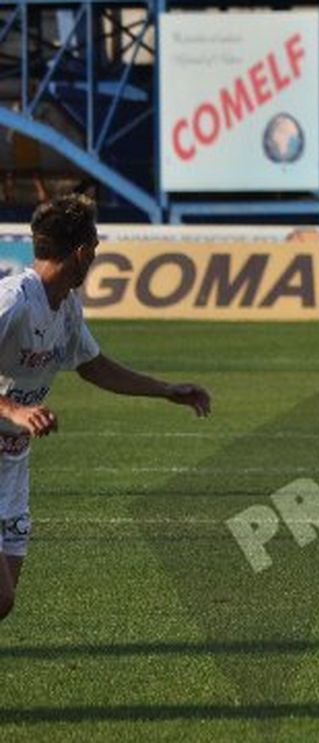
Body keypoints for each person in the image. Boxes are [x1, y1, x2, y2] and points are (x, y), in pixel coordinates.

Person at [0, 195, 211, 623]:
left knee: (4, 602)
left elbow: (93, 366)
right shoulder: (13, 301)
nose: (94, 259)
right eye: (94, 249)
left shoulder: (67, 310)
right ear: (82, 253)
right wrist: (14, 411)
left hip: (12, 466)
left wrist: (165, 390)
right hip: (10, 437)